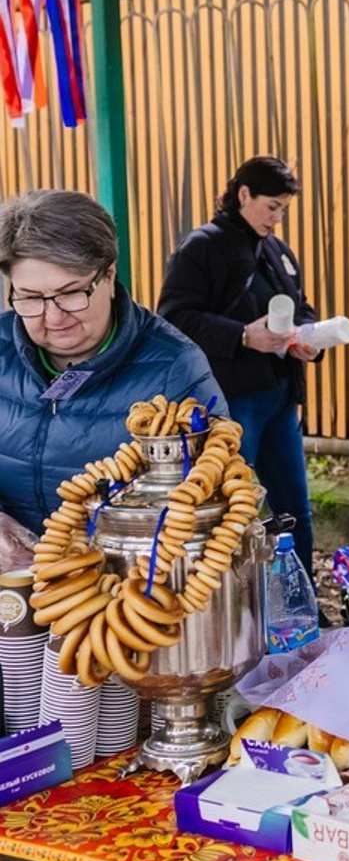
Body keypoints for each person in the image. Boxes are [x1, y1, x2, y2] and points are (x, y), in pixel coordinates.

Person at [0, 190, 222, 570]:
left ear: (108, 275)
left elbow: (214, 500)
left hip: (124, 598)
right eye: (31, 298)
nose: (53, 317)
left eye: (71, 294)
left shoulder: (175, 368)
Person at [157, 157, 321, 578]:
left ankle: (301, 603)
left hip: (280, 398)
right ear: (244, 194)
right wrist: (243, 336)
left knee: (293, 509)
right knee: (231, 512)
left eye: (283, 209)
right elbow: (174, 316)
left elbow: (299, 308)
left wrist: (309, 339)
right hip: (231, 405)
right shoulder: (202, 247)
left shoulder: (276, 250)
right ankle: (233, 608)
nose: (277, 218)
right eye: (272, 207)